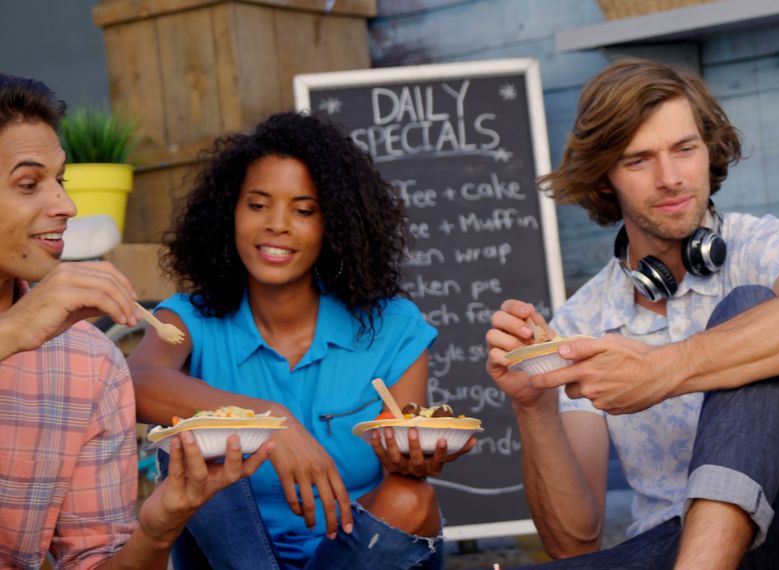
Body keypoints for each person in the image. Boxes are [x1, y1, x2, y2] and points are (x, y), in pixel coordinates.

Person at [484, 58, 779, 569]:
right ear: (605, 179)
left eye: (685, 149)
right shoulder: (583, 319)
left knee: (751, 308)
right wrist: (533, 408)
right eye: (639, 160)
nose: (670, 178)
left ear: (708, 151)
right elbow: (574, 540)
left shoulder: (760, 247)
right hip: (665, 551)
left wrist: (663, 368)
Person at [128, 111, 472, 569]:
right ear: (228, 212)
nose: (277, 224)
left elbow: (401, 475)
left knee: (412, 498)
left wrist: (416, 458)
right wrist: (272, 419)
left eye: (303, 210)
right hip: (235, 559)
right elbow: (133, 382)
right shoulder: (190, 318)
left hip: (355, 559)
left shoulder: (391, 326)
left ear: (334, 225)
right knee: (191, 453)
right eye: (257, 204)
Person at [0, 73, 271, 569]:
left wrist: (160, 524)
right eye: (28, 183)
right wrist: (12, 332)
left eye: (60, 181)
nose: (66, 206)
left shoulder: (88, 362)